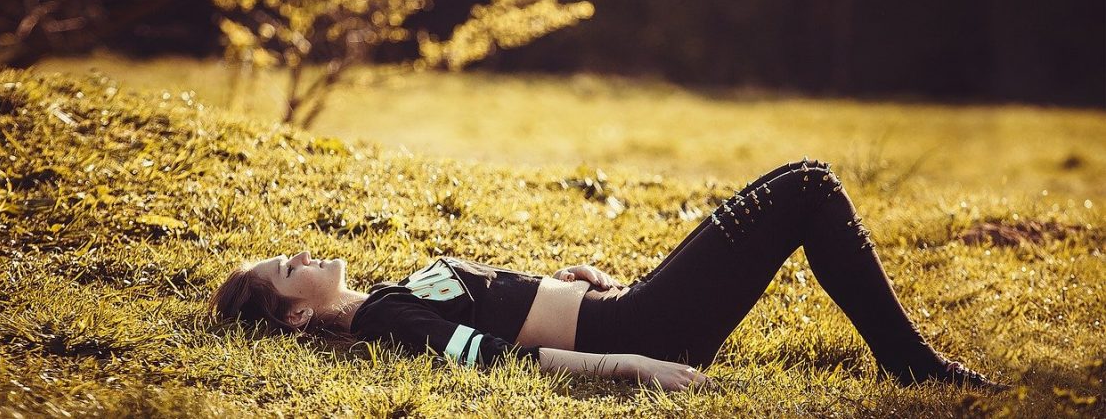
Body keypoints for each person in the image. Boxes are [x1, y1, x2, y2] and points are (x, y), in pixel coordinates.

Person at [210, 159, 1007, 392]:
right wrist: (637, 366)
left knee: (804, 189)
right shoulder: (385, 320)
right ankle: (910, 364)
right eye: (289, 270)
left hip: (621, 304)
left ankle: (907, 360)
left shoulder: (389, 297)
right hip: (641, 329)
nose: (303, 254)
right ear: (294, 318)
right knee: (804, 188)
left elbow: (495, 314)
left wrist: (558, 282)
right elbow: (499, 361)